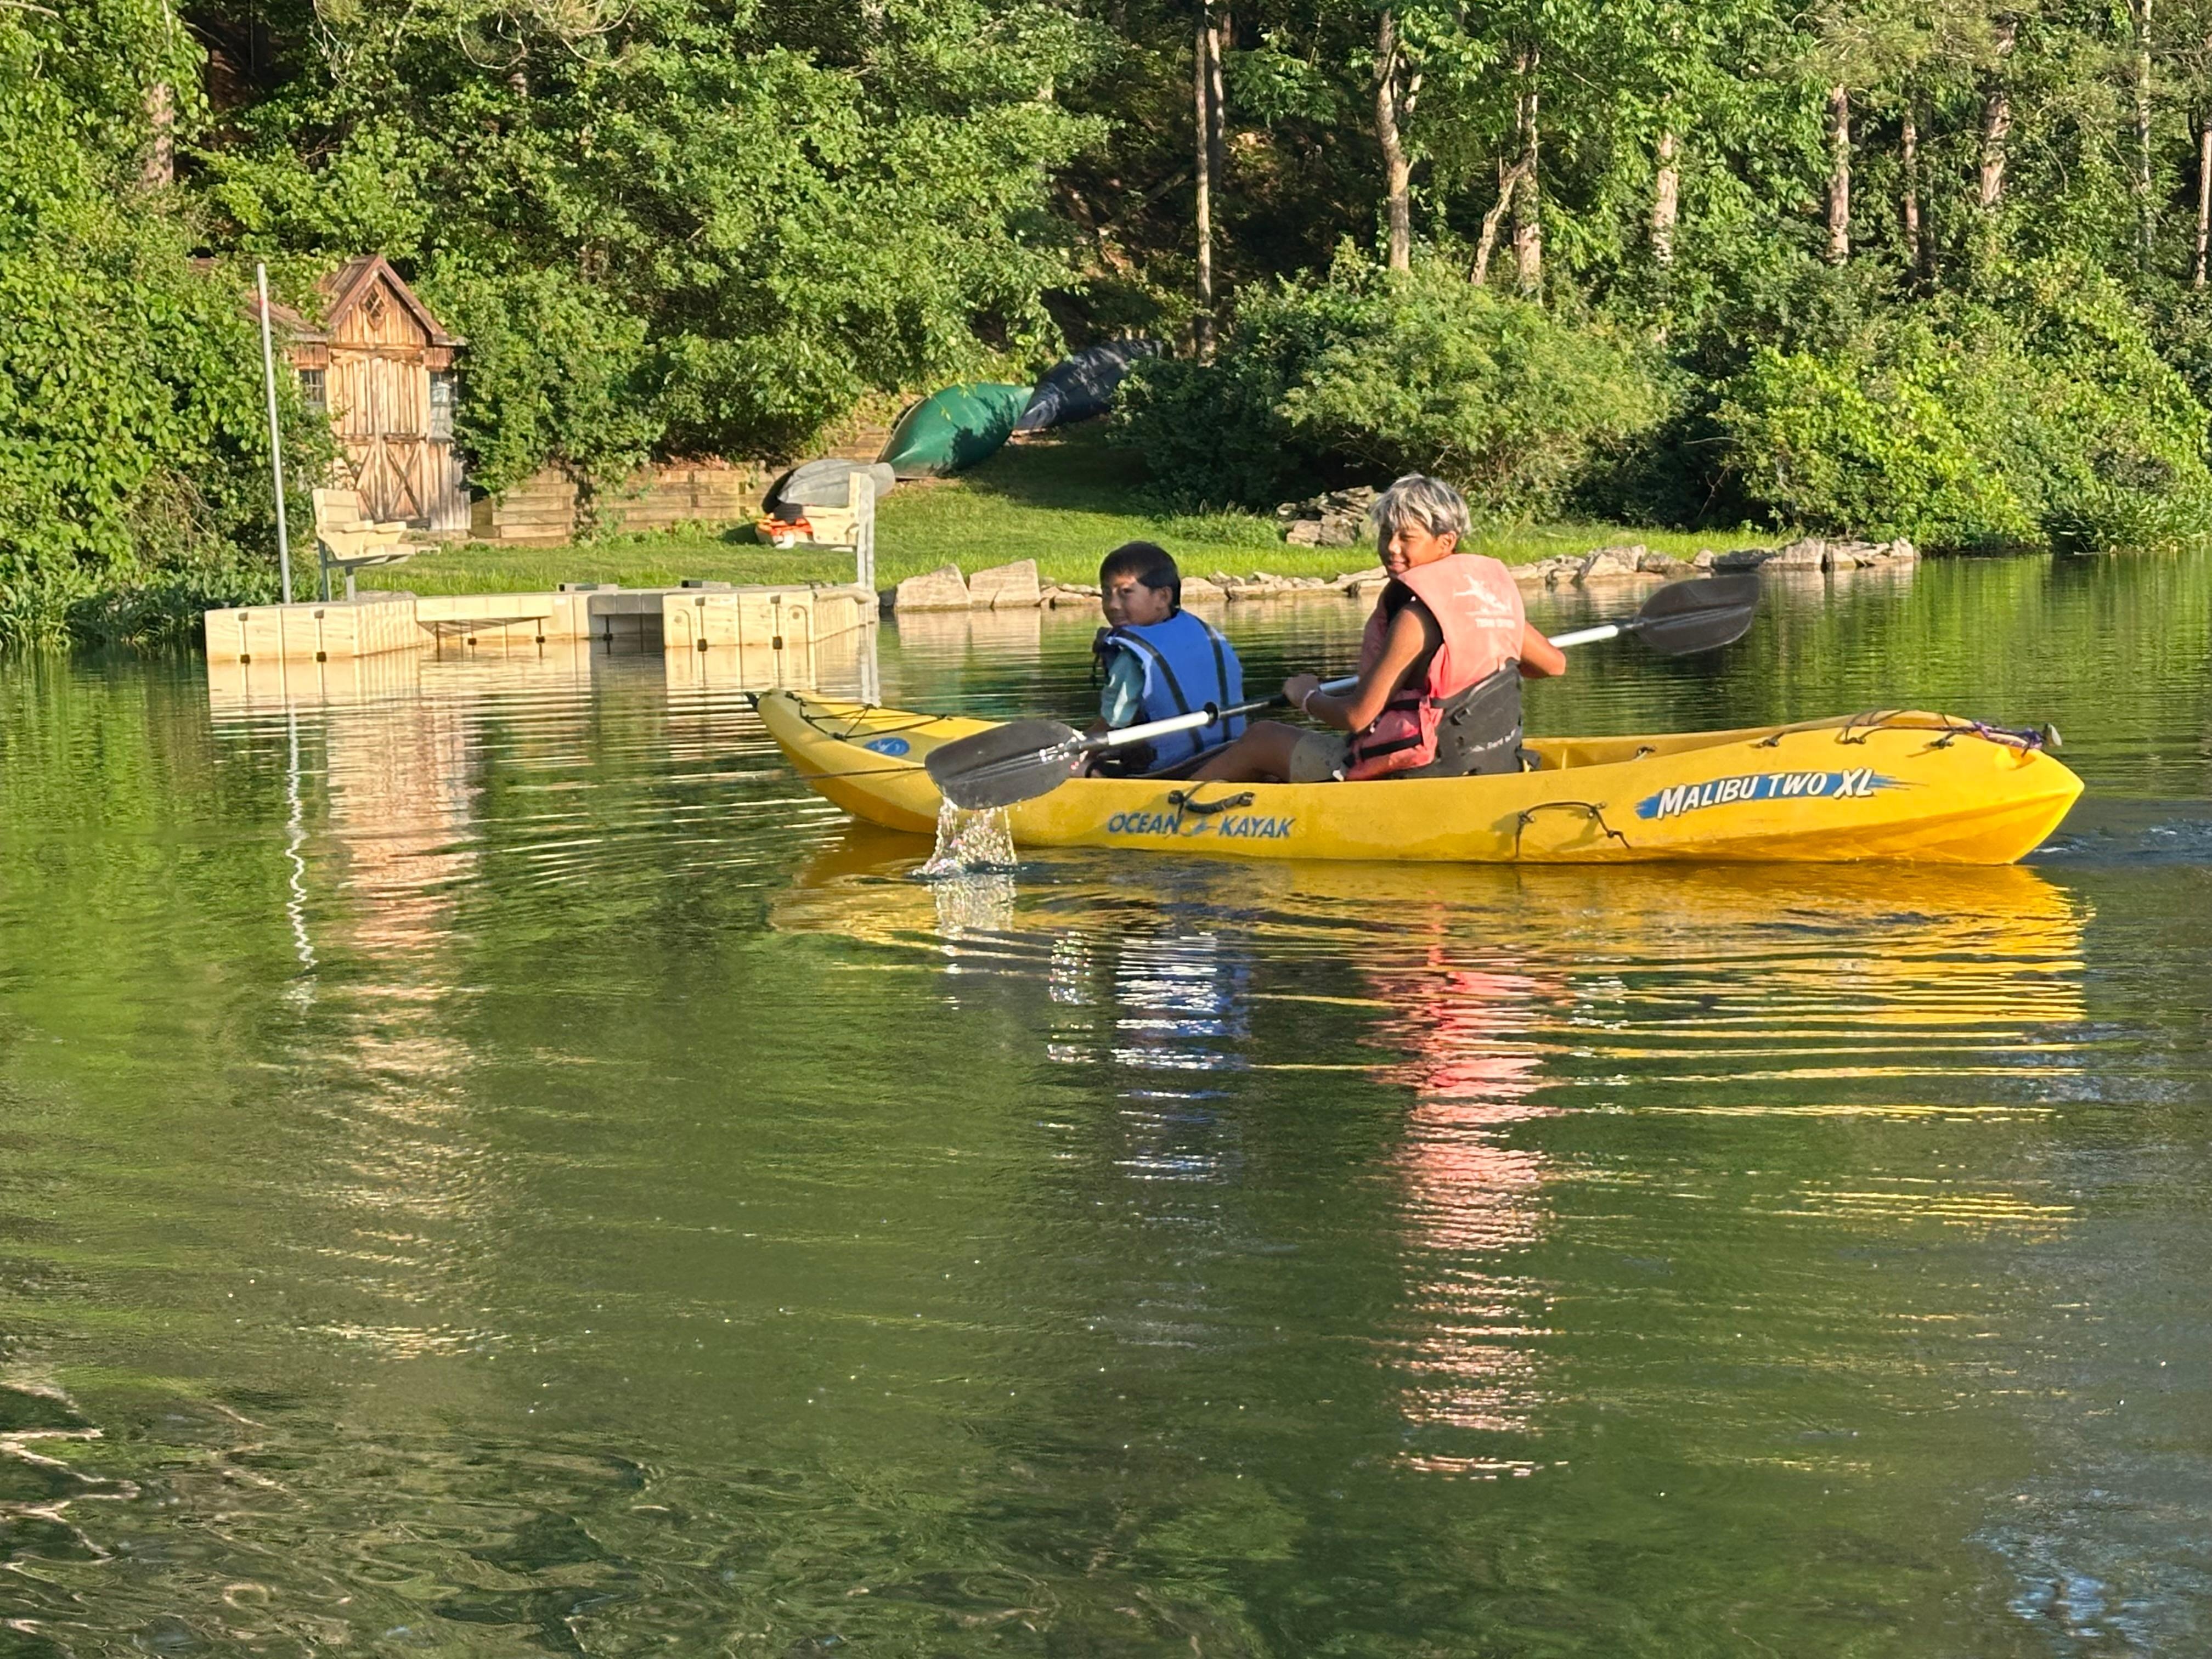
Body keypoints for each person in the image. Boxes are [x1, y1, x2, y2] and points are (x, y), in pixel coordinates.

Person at [1192, 475, 1565, 784]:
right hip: (1488, 759)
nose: (1391, 548)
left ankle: (1156, 812)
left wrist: (1306, 696)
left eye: (1407, 538)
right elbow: (1552, 665)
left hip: (1420, 770)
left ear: (1446, 542)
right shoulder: (1489, 599)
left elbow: (1357, 717)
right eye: (1386, 534)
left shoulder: (1415, 619)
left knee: (1262, 738)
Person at [1088, 541, 1246, 775]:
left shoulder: (1134, 656)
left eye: (1126, 593)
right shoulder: (1208, 635)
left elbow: (1111, 724)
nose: (1112, 605)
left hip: (1176, 770)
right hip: (1231, 754)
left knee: (1078, 766)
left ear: (1163, 597)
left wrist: (1077, 751)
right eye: (1106, 594)